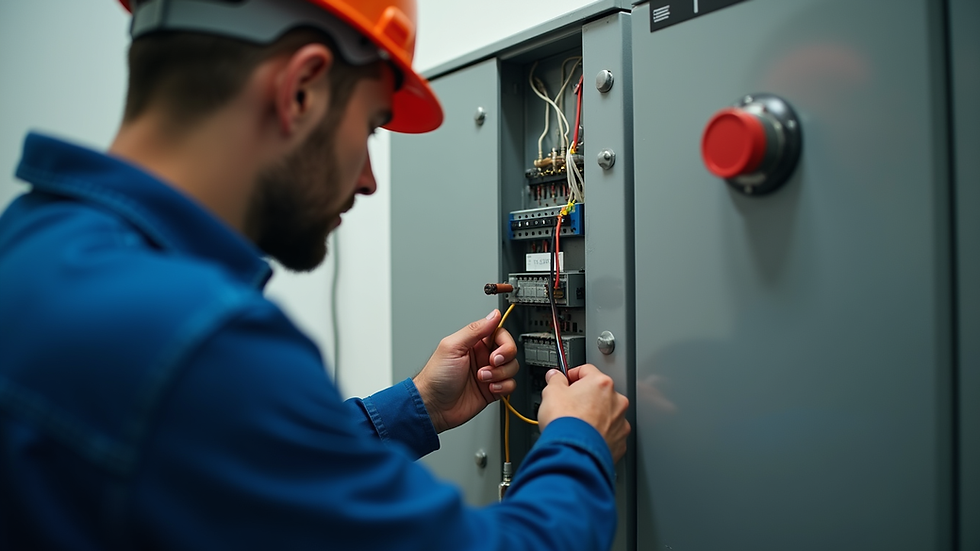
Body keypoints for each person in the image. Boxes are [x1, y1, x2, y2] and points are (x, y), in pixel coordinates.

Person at [0, 0, 630, 549]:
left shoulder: (31, 246)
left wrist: (416, 407)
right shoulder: (198, 343)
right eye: (369, 129)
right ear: (300, 89)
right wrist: (578, 441)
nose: (369, 179)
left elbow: (227, 460)